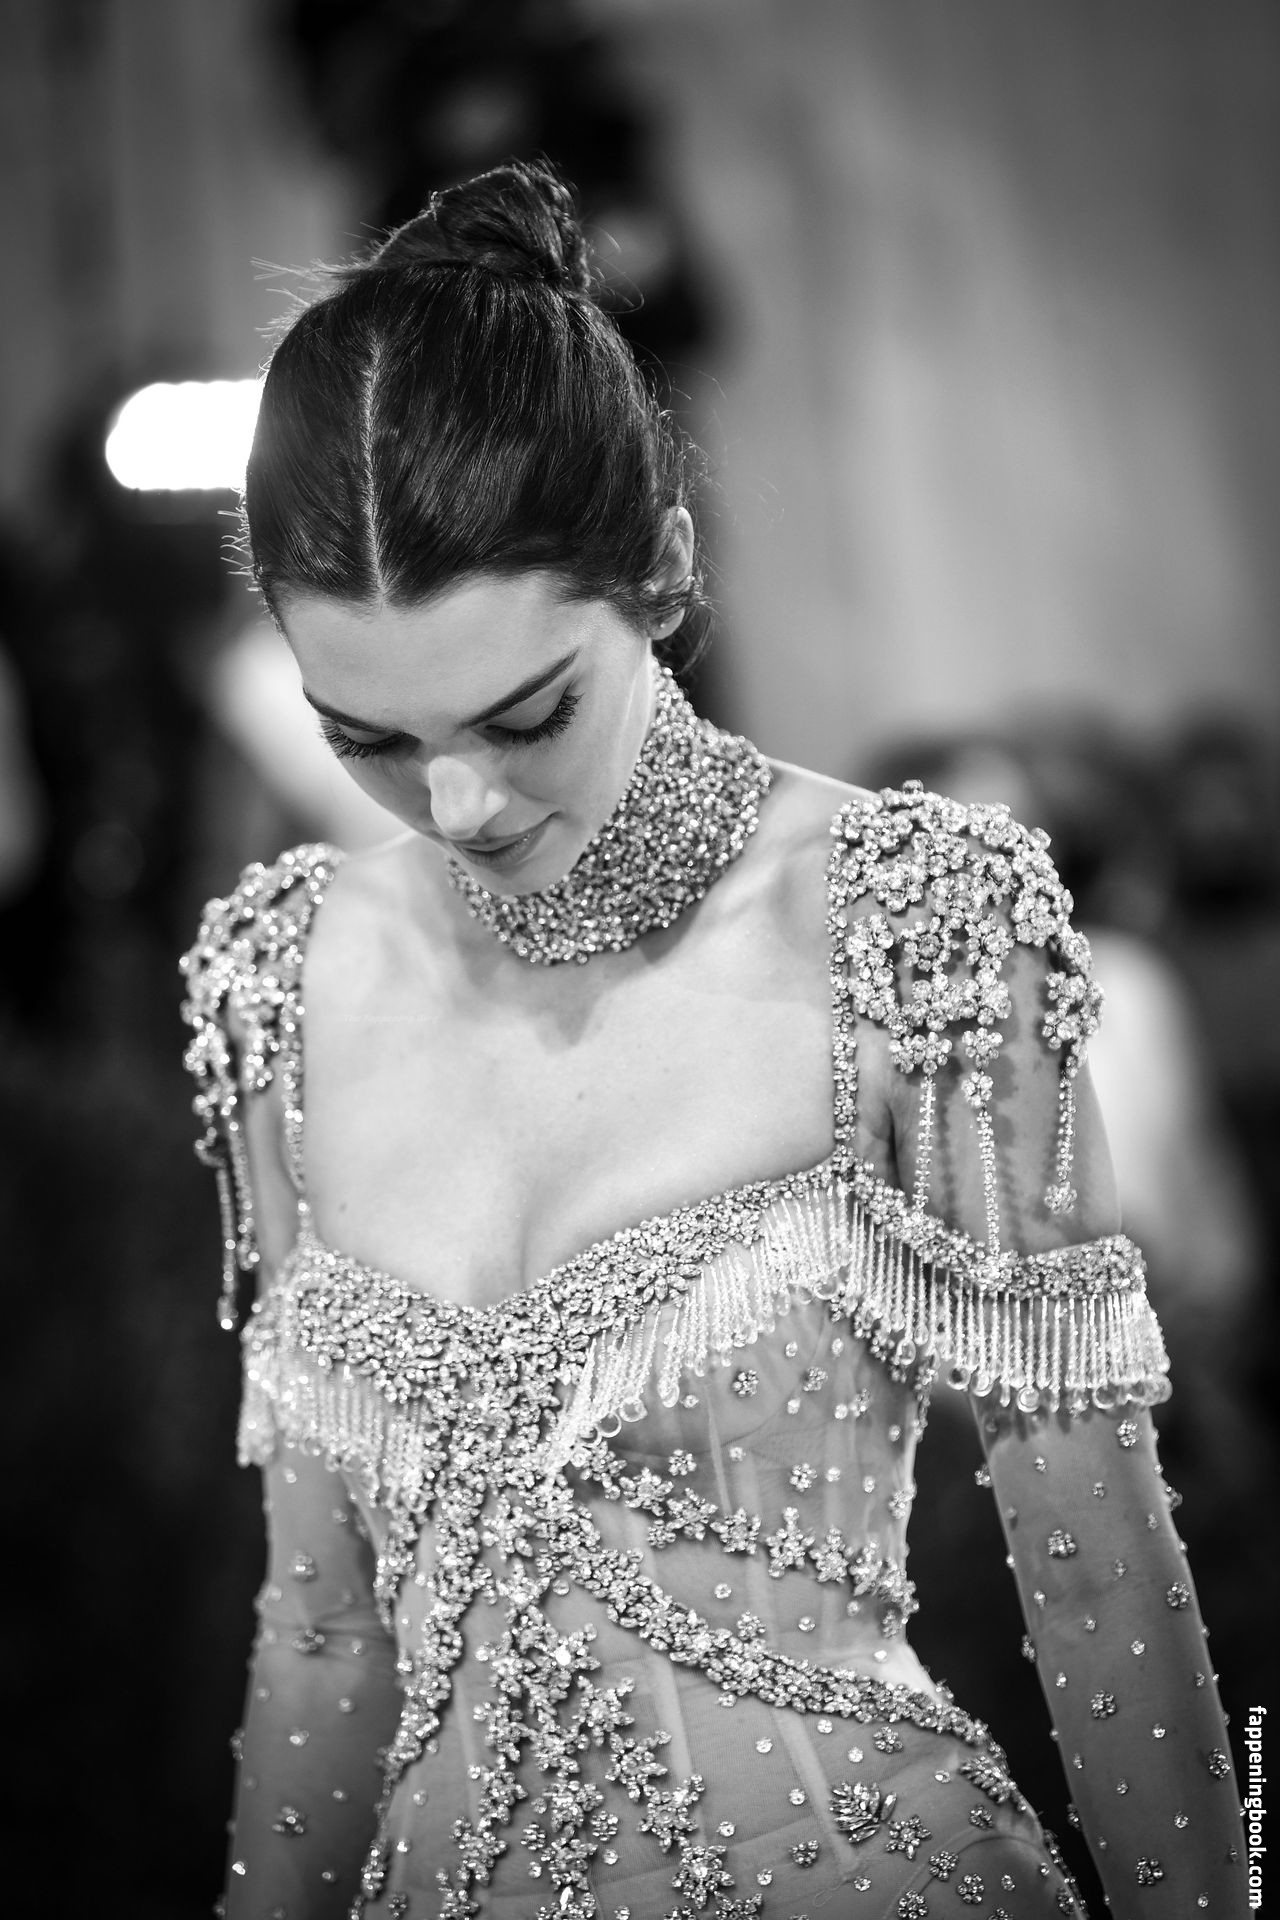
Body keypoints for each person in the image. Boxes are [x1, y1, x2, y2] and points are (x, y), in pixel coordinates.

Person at [181, 163, 1248, 1920]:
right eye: (365, 739)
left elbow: (1100, 1578)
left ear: (667, 567)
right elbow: (320, 1630)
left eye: (527, 714)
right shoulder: (279, 984)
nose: (459, 804)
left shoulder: (914, 926)